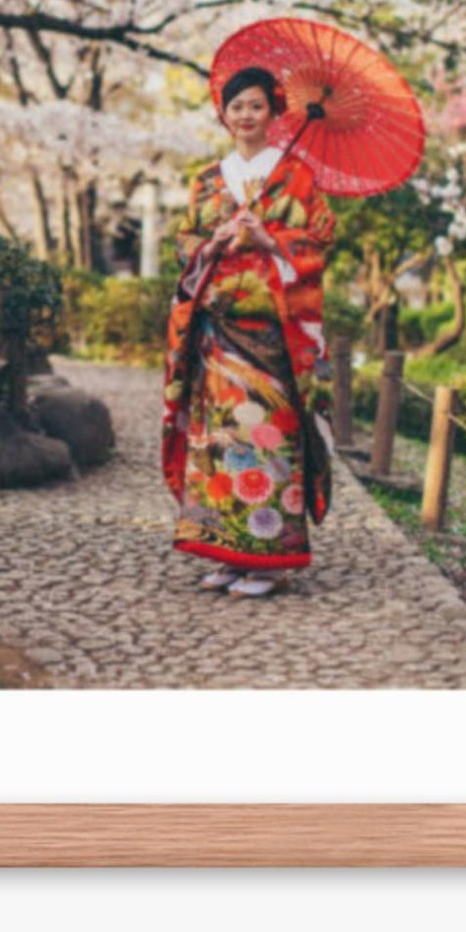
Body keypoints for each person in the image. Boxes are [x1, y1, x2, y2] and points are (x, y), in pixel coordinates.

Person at [160, 65, 337, 597]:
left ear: (274, 112)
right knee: (218, 440)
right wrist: (211, 245)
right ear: (224, 113)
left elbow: (320, 242)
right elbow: (184, 242)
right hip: (216, 334)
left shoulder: (296, 176)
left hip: (273, 337)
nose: (245, 116)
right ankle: (226, 548)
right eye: (236, 106)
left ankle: (269, 558)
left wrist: (269, 239)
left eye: (256, 106)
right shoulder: (208, 179)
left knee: (267, 438)